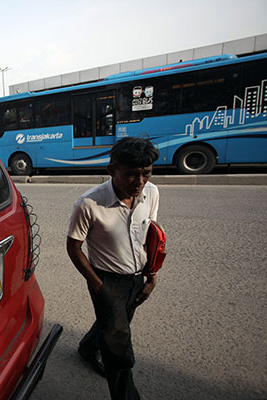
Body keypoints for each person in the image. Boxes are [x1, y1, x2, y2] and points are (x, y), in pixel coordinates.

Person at [66, 137, 160, 400]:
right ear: (112, 170)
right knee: (118, 348)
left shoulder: (151, 193)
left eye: (146, 173)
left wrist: (151, 276)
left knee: (115, 322)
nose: (139, 182)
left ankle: (88, 348)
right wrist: (100, 287)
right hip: (106, 281)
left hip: (137, 279)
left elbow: (151, 235)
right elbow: (74, 248)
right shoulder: (88, 204)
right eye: (131, 174)